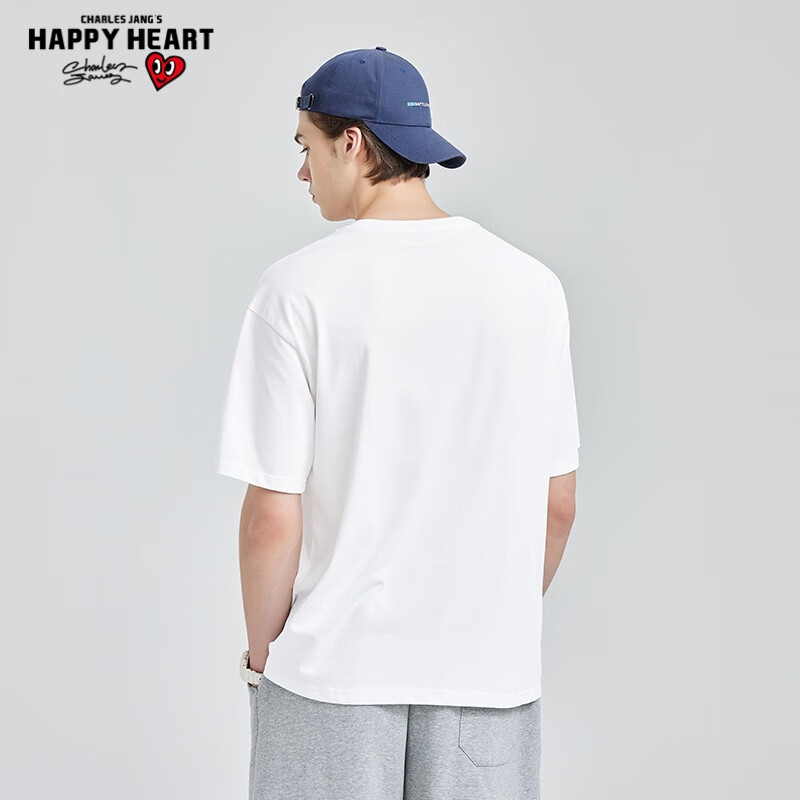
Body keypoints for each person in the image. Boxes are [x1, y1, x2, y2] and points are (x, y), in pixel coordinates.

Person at [217, 45, 580, 800]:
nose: (301, 171)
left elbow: (271, 520)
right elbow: (557, 506)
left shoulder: (296, 290)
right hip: (488, 680)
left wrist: (261, 657)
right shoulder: (533, 288)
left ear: (351, 142)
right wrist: (486, 624)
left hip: (331, 677)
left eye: (305, 146)